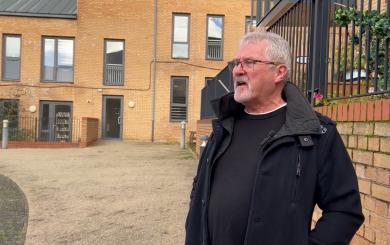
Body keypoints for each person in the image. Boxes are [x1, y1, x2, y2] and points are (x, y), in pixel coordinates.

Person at [185, 32, 364, 245]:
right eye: (236, 62)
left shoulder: (315, 133)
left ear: (279, 72)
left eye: (249, 62)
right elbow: (200, 188)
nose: (237, 70)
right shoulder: (223, 125)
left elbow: (345, 210)